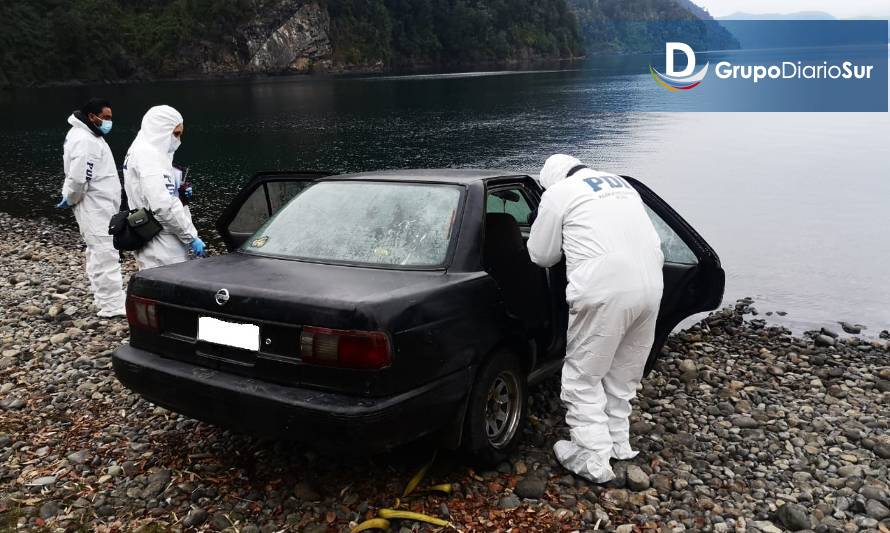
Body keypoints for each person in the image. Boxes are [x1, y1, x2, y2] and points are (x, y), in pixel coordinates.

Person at [527, 154, 664, 483]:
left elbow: (541, 255)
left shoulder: (558, 194)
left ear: (551, 180)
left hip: (603, 290)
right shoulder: (623, 185)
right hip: (651, 286)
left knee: (582, 376)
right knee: (623, 371)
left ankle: (592, 457)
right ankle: (618, 442)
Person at [58, 98, 126, 317]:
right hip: (94, 205)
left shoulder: (89, 135)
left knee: (97, 252)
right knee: (106, 252)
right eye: (105, 118)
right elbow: (79, 177)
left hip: (100, 203)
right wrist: (70, 197)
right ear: (91, 117)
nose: (108, 122)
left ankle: (104, 298)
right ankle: (112, 305)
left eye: (110, 118)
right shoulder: (85, 140)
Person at [123, 105, 205, 269]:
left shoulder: (138, 149)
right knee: (172, 287)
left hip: (147, 233)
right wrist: (191, 236)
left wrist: (178, 190)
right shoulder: (150, 156)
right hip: (162, 243)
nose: (178, 140)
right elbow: (163, 205)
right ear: (161, 130)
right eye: (175, 134)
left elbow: (149, 191)